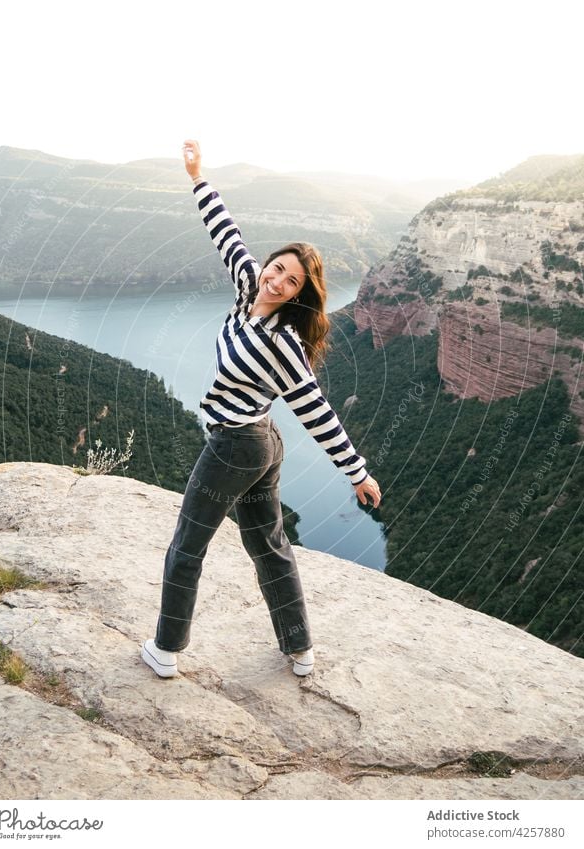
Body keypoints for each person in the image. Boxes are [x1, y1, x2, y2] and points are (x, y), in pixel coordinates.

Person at [142, 139, 382, 679]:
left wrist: (357, 474)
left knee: (187, 545)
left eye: (290, 281)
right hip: (260, 442)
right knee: (268, 545)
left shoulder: (284, 343)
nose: (276, 281)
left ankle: (166, 649)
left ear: (300, 294)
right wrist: (198, 175)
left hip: (236, 444)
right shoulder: (249, 284)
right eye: (276, 269)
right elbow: (224, 232)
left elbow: (318, 412)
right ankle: (299, 650)